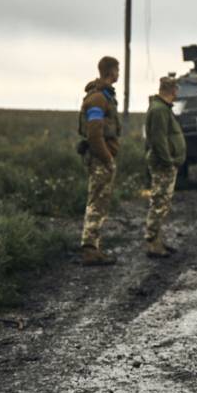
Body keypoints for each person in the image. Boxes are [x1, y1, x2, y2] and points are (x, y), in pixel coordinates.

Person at [77, 56, 122, 266]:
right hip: (100, 159)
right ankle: (89, 249)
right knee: (96, 203)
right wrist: (107, 158)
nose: (119, 73)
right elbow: (95, 133)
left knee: (100, 203)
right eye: (117, 69)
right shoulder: (97, 99)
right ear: (110, 71)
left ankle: (93, 248)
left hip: (102, 158)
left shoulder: (104, 96)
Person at [143, 75, 187, 258]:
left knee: (162, 202)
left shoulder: (162, 108)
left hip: (165, 163)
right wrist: (168, 161)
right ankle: (153, 242)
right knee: (159, 202)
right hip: (163, 164)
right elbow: (159, 139)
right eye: (176, 89)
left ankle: (157, 240)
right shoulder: (160, 110)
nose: (177, 92)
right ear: (173, 90)